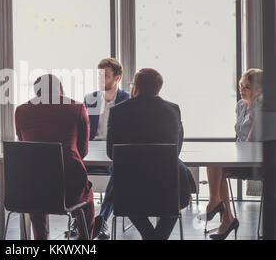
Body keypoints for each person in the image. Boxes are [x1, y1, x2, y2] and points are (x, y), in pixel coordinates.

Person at [106, 68, 196, 240]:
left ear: (135, 86)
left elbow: (112, 152)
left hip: (130, 187)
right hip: (167, 184)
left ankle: (150, 236)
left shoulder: (118, 111)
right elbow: (176, 150)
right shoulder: (173, 109)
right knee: (175, 199)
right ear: (159, 88)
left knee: (127, 199)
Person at [15, 74, 95, 240]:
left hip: (34, 186)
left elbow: (24, 145)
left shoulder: (21, 110)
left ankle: (40, 238)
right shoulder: (77, 107)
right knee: (86, 198)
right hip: (69, 186)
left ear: (37, 93)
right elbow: (83, 151)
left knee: (35, 189)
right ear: (61, 90)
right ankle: (84, 238)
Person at [203, 69, 263, 240]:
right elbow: (240, 137)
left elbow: (254, 140)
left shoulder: (262, 107)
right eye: (240, 86)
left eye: (247, 87)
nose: (242, 91)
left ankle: (220, 211)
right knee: (214, 163)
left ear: (258, 89)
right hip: (241, 156)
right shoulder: (240, 105)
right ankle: (224, 216)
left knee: (217, 167)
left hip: (255, 161)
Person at [82, 58, 129, 240]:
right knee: (72, 170)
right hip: (92, 148)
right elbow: (82, 128)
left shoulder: (127, 99)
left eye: (105, 75)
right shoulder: (90, 99)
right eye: (99, 75)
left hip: (115, 150)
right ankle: (79, 220)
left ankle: (102, 220)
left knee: (119, 172)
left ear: (117, 78)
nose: (100, 79)